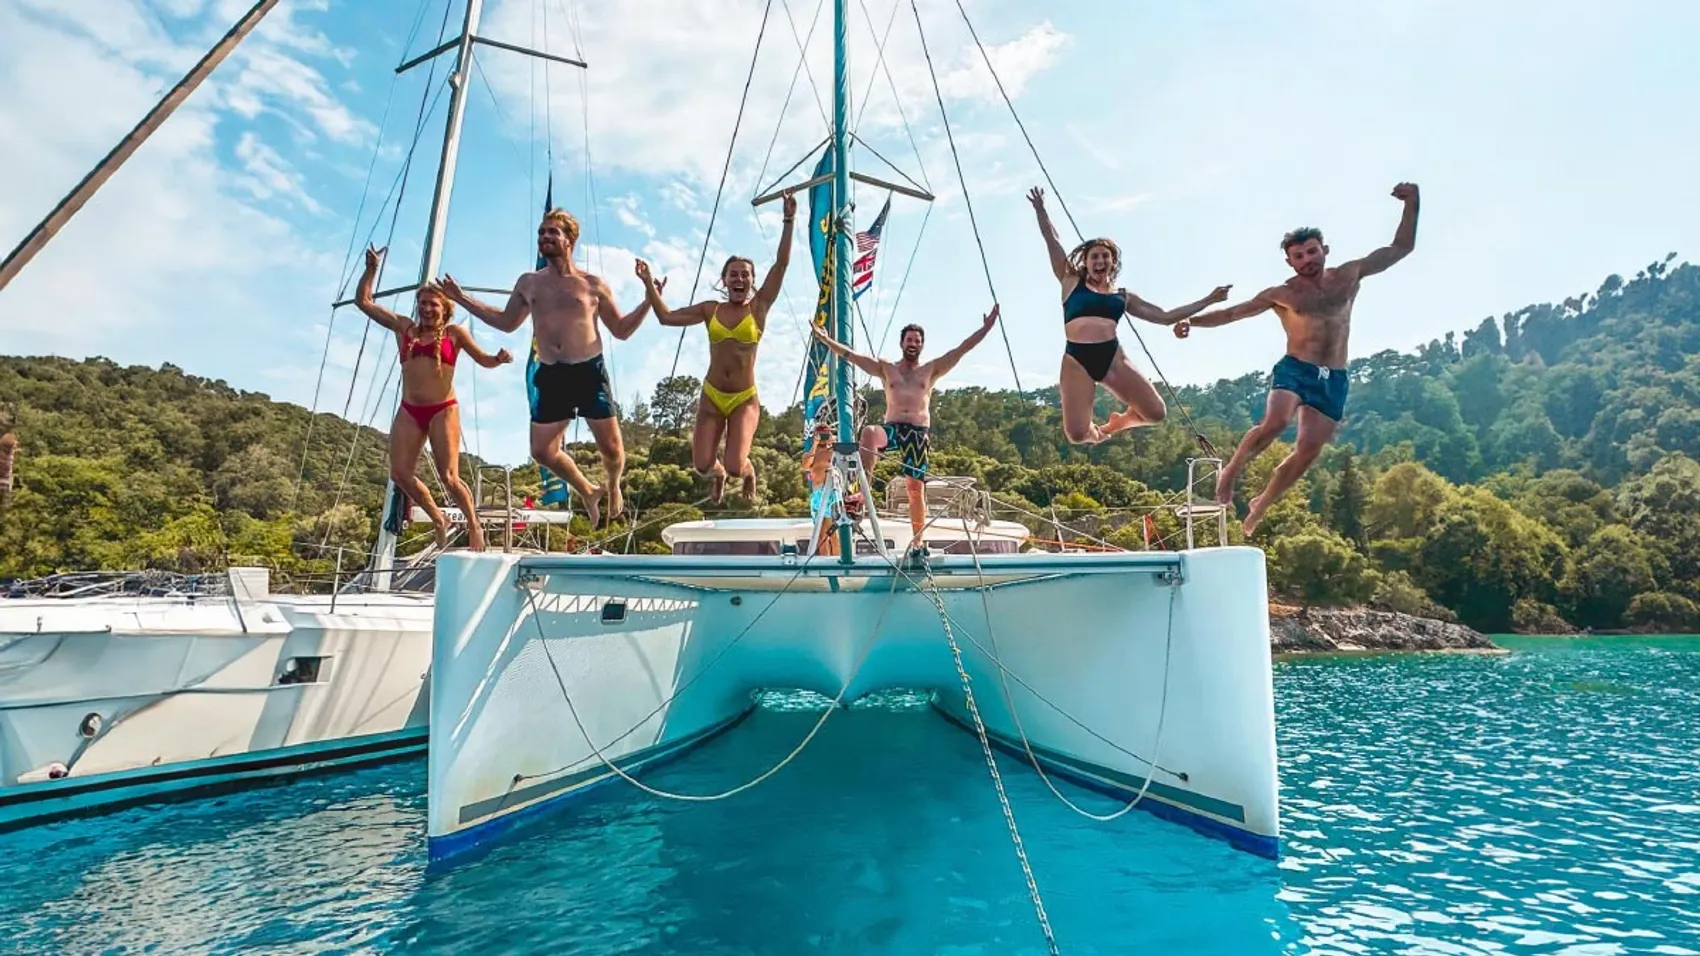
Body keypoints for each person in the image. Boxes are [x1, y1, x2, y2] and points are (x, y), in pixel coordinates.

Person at [1174, 182, 1420, 534]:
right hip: (1296, 369)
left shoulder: (1349, 276)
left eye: (1312, 252)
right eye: (1298, 256)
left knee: (1308, 451)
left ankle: (1262, 503)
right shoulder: (1283, 294)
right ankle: (1230, 471)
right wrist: (1192, 321)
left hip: (1333, 377)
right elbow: (1232, 314)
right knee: (1275, 424)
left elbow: (1401, 247)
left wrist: (1412, 202)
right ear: (1289, 260)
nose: (1306, 260)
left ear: (1325, 250)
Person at [433, 208, 654, 528]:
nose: (545, 237)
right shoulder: (529, 283)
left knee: (613, 449)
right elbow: (506, 323)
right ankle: (589, 490)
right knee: (542, 451)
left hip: (589, 371)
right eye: (541, 232)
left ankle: (614, 484)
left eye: (552, 232)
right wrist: (462, 298)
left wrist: (649, 298)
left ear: (570, 240)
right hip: (551, 374)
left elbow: (620, 329)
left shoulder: (592, 285)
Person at [1026, 187, 1232, 445]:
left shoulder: (1123, 297)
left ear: (1112, 262)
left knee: (1155, 413)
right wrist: (1041, 210)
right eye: (1094, 256)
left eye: (1105, 256)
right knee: (1077, 435)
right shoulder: (1070, 281)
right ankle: (1098, 434)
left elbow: (1166, 316)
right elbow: (1053, 241)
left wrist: (1209, 300)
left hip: (1112, 358)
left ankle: (1118, 424)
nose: (1100, 260)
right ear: (1086, 261)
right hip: (1077, 360)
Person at [633, 193, 796, 503]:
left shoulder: (760, 307)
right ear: (724, 280)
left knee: (737, 465)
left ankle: (748, 472)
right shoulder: (711, 309)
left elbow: (782, 263)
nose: (739, 278)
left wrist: (788, 220)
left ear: (752, 281)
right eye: (733, 274)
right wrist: (648, 285)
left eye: (745, 274)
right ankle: (718, 474)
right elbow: (666, 318)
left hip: (743, 399)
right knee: (702, 465)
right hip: (712, 395)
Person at [355, 245, 512, 551]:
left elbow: (484, 361)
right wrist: (372, 269)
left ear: (445, 309)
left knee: (450, 477)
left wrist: (499, 358)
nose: (427, 309)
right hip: (410, 410)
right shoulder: (405, 328)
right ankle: (439, 519)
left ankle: (474, 526)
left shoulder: (455, 334)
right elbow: (364, 302)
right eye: (423, 304)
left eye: (433, 305)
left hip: (443, 409)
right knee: (400, 473)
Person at [810, 306, 999, 543]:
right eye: (909, 339)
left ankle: (918, 541)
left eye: (918, 341)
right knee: (869, 432)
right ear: (902, 343)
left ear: (922, 345)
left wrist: (985, 328)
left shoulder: (931, 369)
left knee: (914, 489)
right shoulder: (887, 369)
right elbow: (851, 356)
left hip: (918, 434)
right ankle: (862, 492)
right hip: (892, 429)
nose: (913, 343)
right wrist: (826, 340)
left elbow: (961, 349)